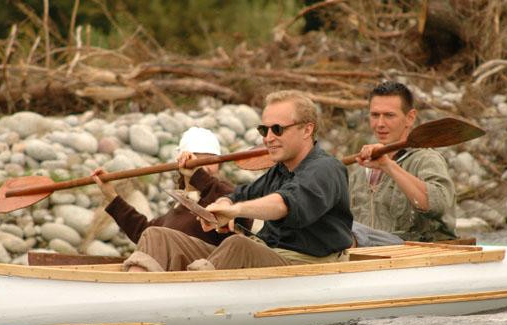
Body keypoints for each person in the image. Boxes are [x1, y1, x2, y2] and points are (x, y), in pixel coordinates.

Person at [122, 89, 354, 272]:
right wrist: (224, 204)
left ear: (307, 130)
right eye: (264, 130)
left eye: (277, 129)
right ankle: (134, 297)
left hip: (307, 267)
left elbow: (284, 204)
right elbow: (238, 194)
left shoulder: (325, 168)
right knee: (155, 235)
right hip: (271, 257)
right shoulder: (279, 171)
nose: (269, 138)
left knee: (238, 245)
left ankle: (192, 297)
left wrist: (235, 211)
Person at [91, 126, 249, 247]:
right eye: (198, 160)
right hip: (173, 276)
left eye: (211, 161)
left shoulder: (225, 196)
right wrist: (111, 195)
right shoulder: (178, 207)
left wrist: (197, 174)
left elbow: (240, 213)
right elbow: (143, 232)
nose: (204, 168)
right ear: (182, 165)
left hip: (202, 275)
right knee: (150, 239)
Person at [350, 81, 457, 242]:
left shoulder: (426, 160)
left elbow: (438, 205)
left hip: (418, 255)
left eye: (389, 115)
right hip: (369, 258)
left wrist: (388, 166)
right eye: (374, 115)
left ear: (410, 118)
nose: (380, 124)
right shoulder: (360, 169)